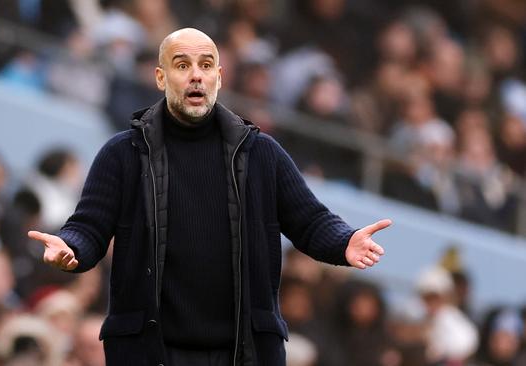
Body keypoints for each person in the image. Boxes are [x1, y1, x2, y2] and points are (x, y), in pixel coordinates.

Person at [28, 28, 391, 366]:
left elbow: (310, 220)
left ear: (219, 76)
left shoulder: (261, 153)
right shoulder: (123, 153)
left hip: (243, 353)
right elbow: (89, 226)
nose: (196, 75)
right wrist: (70, 247)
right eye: (182, 65)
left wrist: (344, 241)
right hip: (149, 352)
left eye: (205, 65)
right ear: (160, 78)